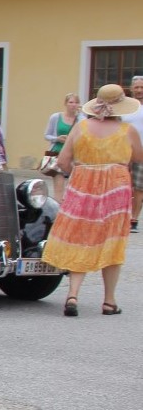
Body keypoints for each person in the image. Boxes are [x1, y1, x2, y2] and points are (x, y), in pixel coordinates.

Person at [42, 84, 143, 317]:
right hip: (115, 188)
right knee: (113, 240)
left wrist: (84, 166)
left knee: (81, 237)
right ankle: (109, 301)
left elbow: (64, 162)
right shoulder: (127, 130)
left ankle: (73, 295)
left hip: (83, 185)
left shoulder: (81, 127)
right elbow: (138, 157)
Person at [42, 93, 81, 198]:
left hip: (73, 156)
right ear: (65, 103)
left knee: (72, 187)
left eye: (76, 102)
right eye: (71, 102)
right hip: (57, 154)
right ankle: (57, 209)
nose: (73, 105)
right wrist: (57, 138)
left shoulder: (80, 119)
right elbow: (46, 135)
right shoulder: (56, 117)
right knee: (59, 189)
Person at [121, 75, 143, 232]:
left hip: (141, 151)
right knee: (123, 185)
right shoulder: (124, 107)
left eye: (142, 87)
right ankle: (122, 217)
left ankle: (134, 219)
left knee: (139, 187)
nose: (139, 90)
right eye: (136, 87)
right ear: (131, 89)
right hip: (122, 150)